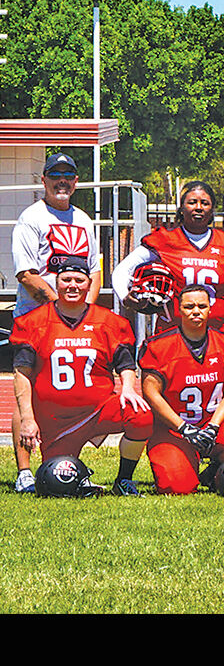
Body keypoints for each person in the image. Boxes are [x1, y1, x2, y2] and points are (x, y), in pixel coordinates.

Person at [9, 257, 153, 495]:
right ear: (56, 283)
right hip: (56, 420)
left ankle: (124, 479)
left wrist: (128, 387)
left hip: (98, 410)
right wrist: (28, 418)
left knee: (140, 415)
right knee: (57, 479)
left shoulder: (109, 322)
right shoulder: (33, 322)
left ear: (89, 284)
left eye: (79, 280)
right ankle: (25, 473)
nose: (72, 285)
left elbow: (125, 364)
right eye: (66, 280)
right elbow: (21, 373)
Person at [10, 152, 102, 493]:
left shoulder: (84, 219)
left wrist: (85, 310)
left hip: (76, 318)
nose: (61, 181)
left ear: (76, 182)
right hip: (36, 316)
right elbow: (27, 274)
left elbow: (94, 268)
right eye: (54, 175)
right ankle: (24, 471)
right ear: (44, 180)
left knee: (72, 388)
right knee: (27, 392)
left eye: (68, 175)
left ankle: (67, 460)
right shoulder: (31, 218)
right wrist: (60, 306)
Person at [138, 284, 224, 494]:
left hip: (213, 423)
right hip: (173, 430)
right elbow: (151, 393)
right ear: (179, 309)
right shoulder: (158, 346)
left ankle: (215, 472)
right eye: (189, 306)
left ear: (210, 309)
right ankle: (186, 466)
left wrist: (213, 426)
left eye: (202, 306)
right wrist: (183, 428)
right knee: (176, 486)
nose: (196, 311)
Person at [113, 180, 224, 342]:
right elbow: (123, 269)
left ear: (212, 210)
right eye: (192, 202)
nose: (198, 207)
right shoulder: (164, 239)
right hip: (171, 333)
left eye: (205, 203)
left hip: (216, 333)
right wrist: (125, 297)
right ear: (182, 209)